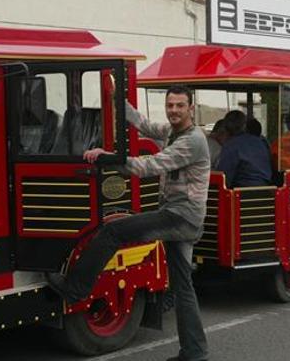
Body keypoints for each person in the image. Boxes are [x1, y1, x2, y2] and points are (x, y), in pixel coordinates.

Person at [46, 85, 210, 361]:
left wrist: (106, 158)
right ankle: (195, 352)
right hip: (180, 215)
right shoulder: (173, 132)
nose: (174, 110)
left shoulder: (193, 140)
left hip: (181, 217)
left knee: (114, 231)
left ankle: (75, 289)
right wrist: (116, 99)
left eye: (180, 106)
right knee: (183, 287)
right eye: (170, 105)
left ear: (191, 108)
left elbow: (151, 166)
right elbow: (143, 124)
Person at [216, 110, 273, 187]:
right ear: (244, 126)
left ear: (226, 128)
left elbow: (224, 177)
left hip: (243, 192)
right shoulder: (261, 142)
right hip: (267, 189)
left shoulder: (231, 145)